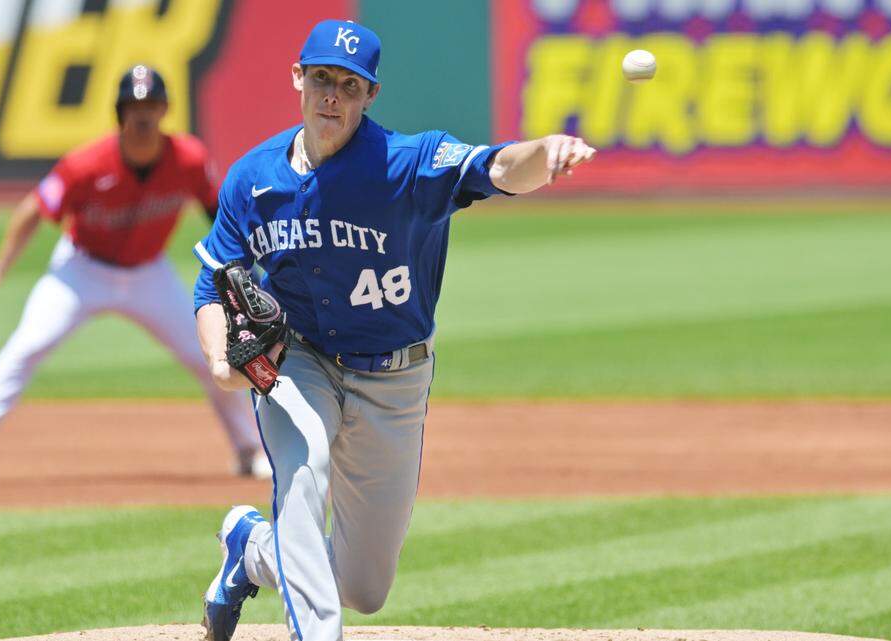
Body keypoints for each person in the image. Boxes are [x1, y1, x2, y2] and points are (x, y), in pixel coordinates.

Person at [191, 20, 597, 641]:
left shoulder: (406, 163)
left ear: (370, 95)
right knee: (301, 475)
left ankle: (250, 550)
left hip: (396, 375)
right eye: (322, 78)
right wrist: (221, 360)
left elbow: (494, 168)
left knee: (364, 587)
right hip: (298, 360)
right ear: (298, 78)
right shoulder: (254, 179)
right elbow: (211, 282)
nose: (332, 95)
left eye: (349, 86)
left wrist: (544, 154)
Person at [0, 64, 271, 484]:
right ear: (120, 112)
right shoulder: (85, 164)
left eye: (152, 104)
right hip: (81, 271)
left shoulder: (189, 159)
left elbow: (221, 215)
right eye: (134, 105)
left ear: (165, 110)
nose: (143, 114)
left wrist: (244, 269)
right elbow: (35, 208)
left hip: (149, 274)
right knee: (26, 347)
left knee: (210, 354)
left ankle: (248, 448)